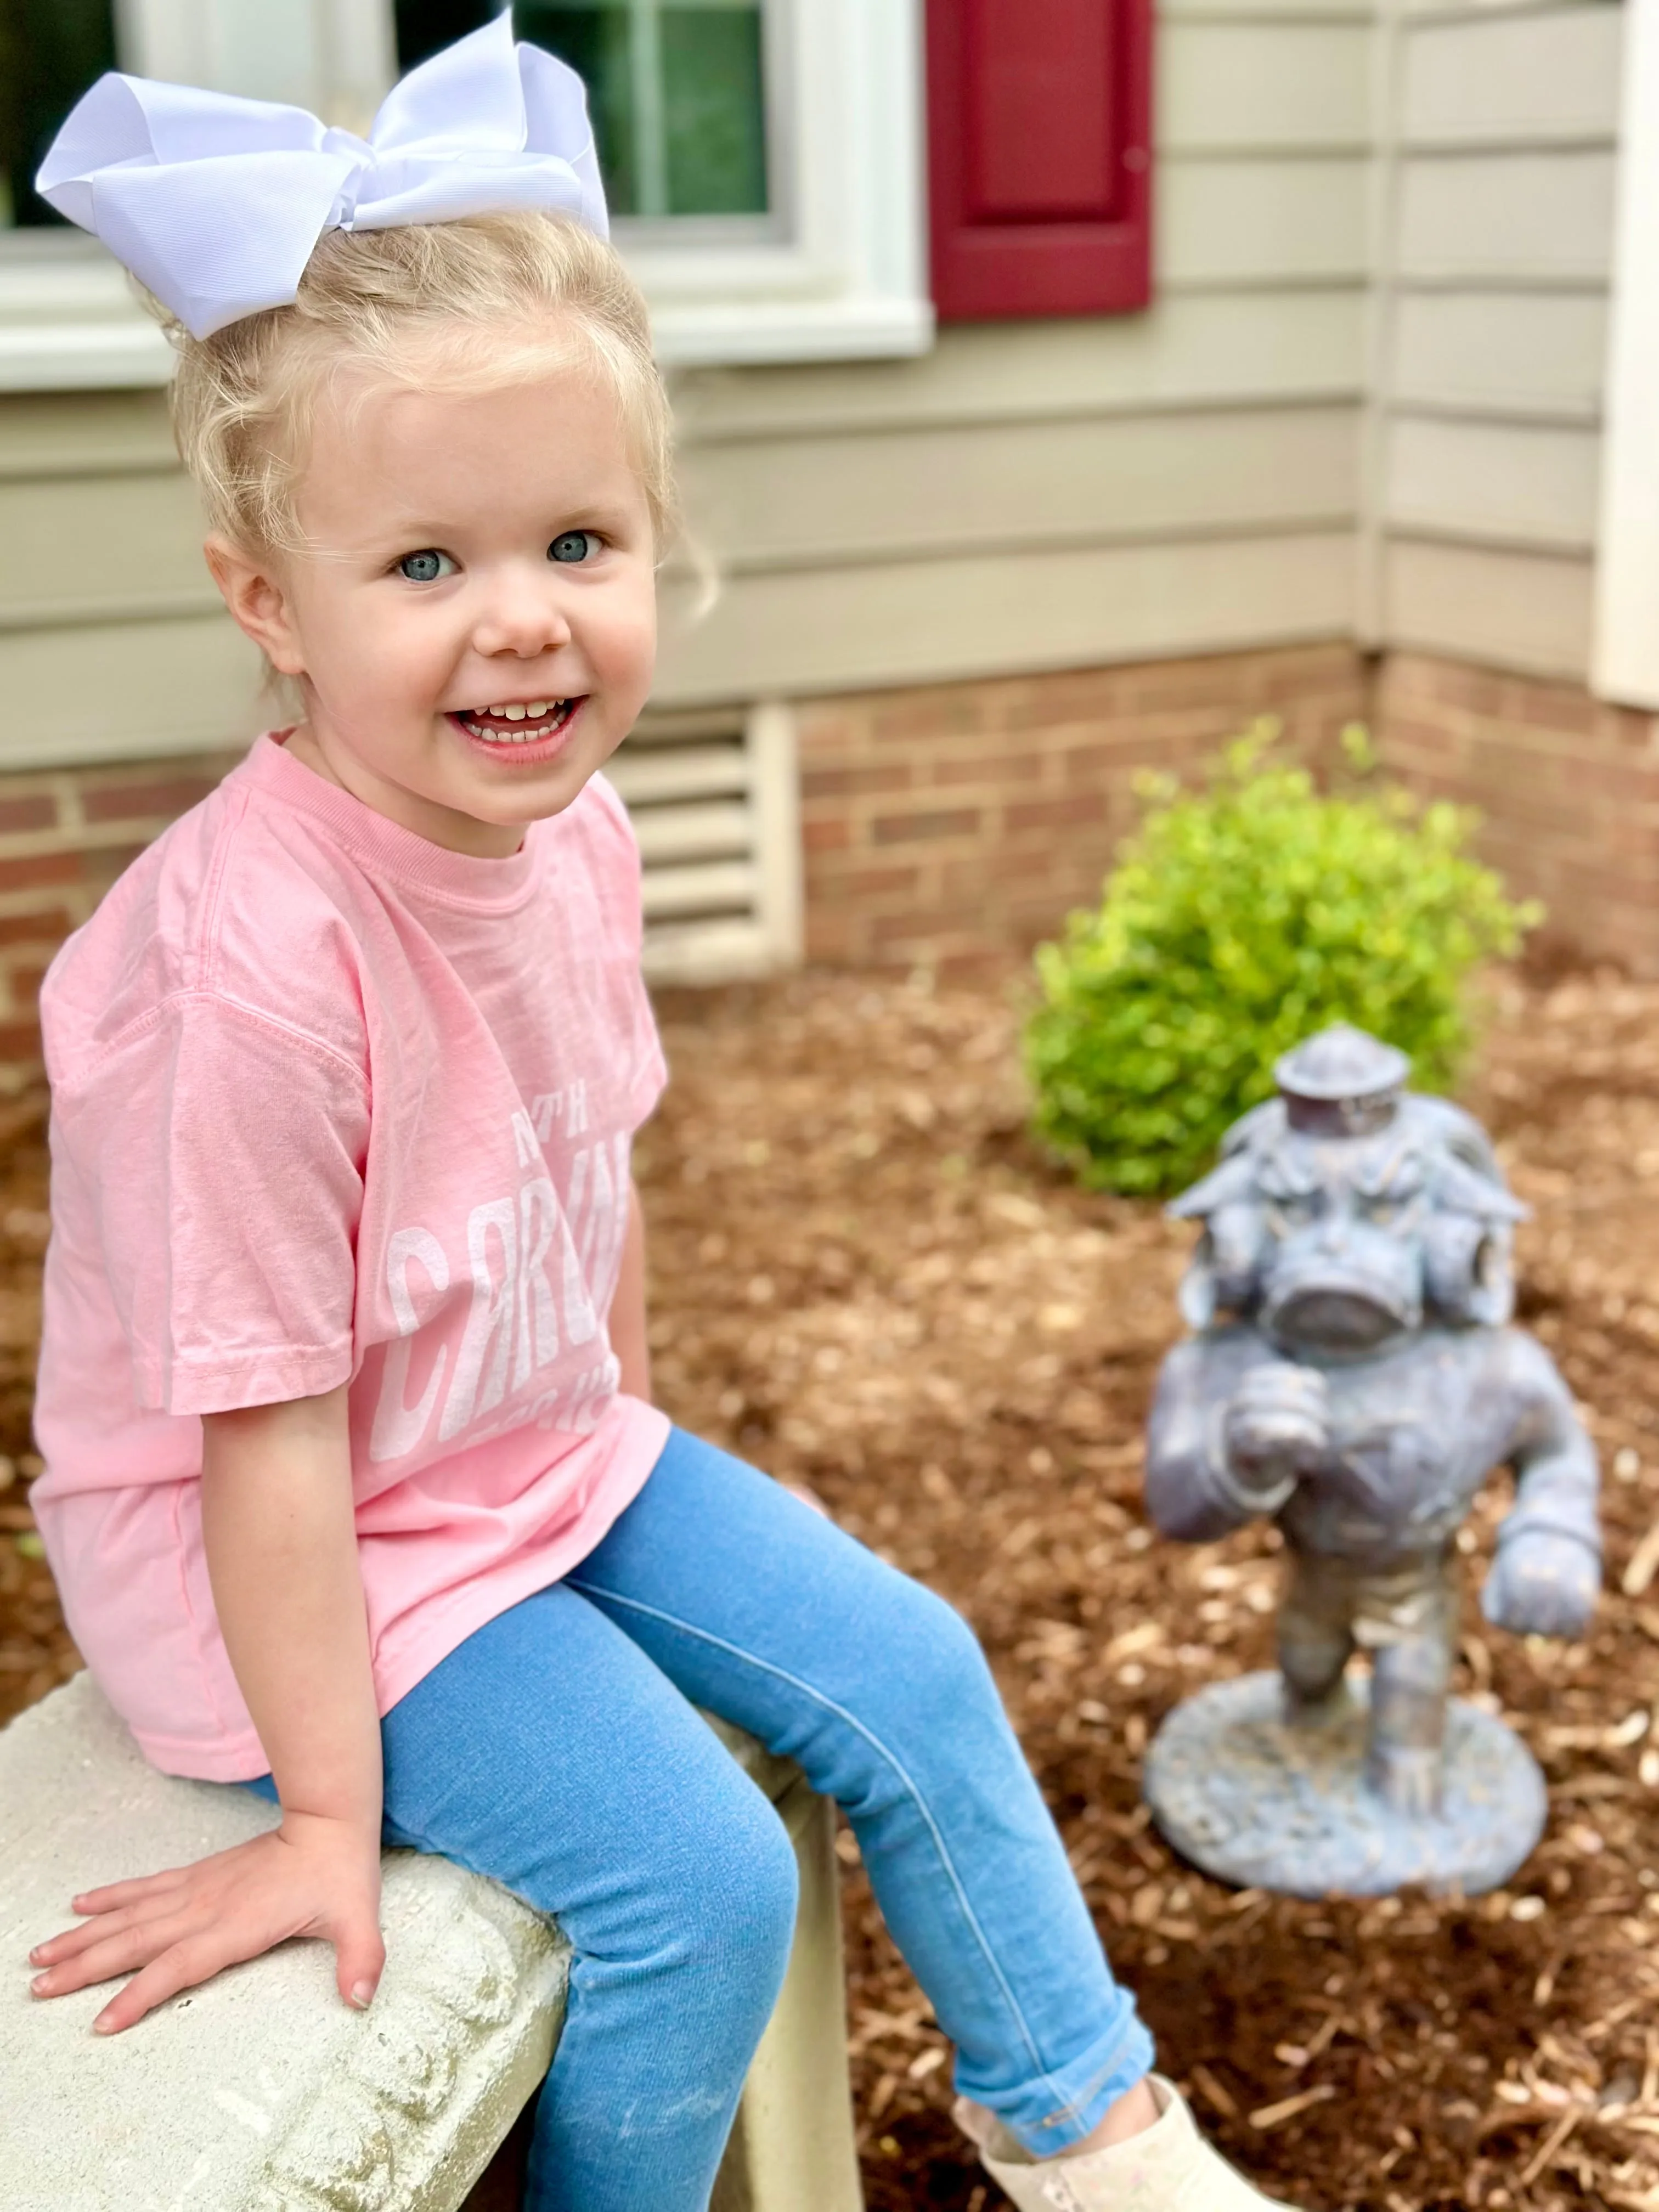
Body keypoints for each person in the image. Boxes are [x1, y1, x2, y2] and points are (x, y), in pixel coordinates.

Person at [21, 27, 1300, 2212]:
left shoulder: (580, 839)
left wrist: (637, 1480)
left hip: (515, 1454)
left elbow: (586, 1169)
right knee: (693, 1882)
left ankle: (1081, 2125)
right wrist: (328, 1825)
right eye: (423, 565)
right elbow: (262, 1439)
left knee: (907, 1664)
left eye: (578, 540)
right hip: (306, 1550)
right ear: (270, 600)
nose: (523, 618)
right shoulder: (244, 966)